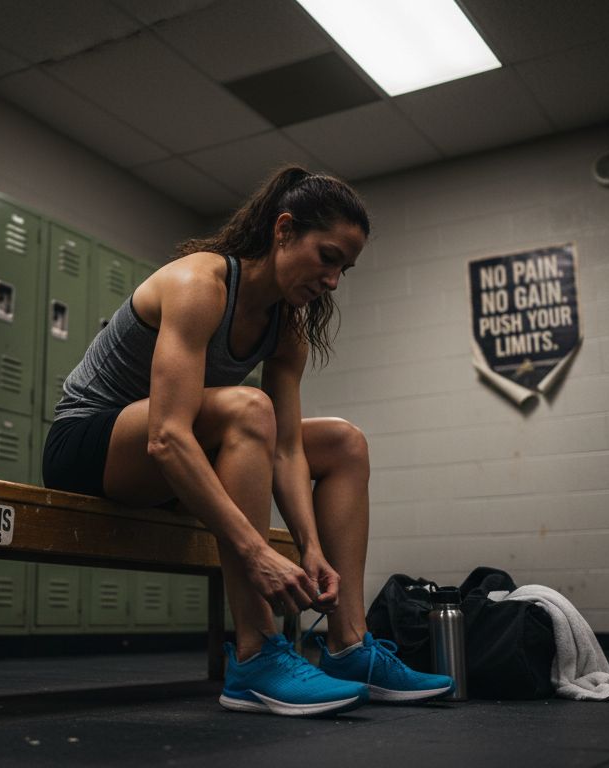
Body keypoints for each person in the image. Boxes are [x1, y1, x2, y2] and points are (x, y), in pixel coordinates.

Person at [42, 166, 452, 716]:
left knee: (344, 444)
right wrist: (257, 551)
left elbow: (286, 450)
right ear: (283, 230)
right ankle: (256, 655)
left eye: (344, 270)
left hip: (177, 454)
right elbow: (167, 437)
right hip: (91, 443)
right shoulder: (198, 285)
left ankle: (349, 644)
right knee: (247, 408)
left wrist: (309, 546)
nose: (332, 280)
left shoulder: (287, 329)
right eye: (327, 257)